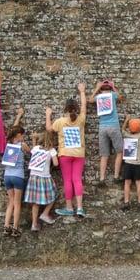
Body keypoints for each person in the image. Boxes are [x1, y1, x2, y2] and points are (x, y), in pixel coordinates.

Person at [46, 83, 87, 220]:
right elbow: (84, 106)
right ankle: (80, 208)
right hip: (79, 154)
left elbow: (49, 129)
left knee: (67, 181)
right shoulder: (81, 119)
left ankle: (69, 208)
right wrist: (82, 91)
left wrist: (48, 115)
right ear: (76, 109)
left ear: (65, 109)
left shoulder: (60, 121)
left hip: (65, 154)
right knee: (77, 180)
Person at [88, 79, 124, 186]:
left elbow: (90, 100)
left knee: (104, 155)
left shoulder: (98, 97)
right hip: (114, 126)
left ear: (102, 88)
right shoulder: (113, 95)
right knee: (119, 152)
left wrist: (96, 88)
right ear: (109, 87)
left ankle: (102, 179)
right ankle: (116, 176)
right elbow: (120, 97)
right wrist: (114, 87)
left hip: (102, 127)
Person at [24, 130, 59, 232]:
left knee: (35, 202)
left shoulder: (35, 148)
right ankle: (44, 214)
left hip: (33, 177)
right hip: (45, 177)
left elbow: (32, 152)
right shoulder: (51, 150)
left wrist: (33, 140)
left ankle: (34, 224)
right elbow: (56, 164)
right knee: (54, 195)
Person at [3, 108, 30, 238]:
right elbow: (31, 152)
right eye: (22, 134)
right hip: (18, 176)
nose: (23, 136)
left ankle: (6, 225)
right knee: (17, 203)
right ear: (18, 135)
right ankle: (15, 228)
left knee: (10, 202)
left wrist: (18, 116)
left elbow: (12, 129)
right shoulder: (22, 145)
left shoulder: (8, 144)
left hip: (7, 176)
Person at [121, 116, 140, 211]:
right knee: (139, 183)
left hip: (128, 163)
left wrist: (126, 120)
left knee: (127, 183)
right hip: (139, 163)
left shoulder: (127, 135)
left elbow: (122, 130)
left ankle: (126, 202)